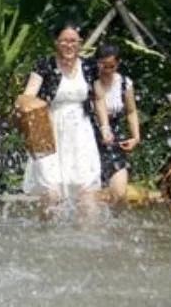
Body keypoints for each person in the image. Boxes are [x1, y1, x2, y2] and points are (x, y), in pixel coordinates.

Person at [20, 21, 112, 216]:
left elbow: (99, 97)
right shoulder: (44, 65)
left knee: (86, 191)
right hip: (48, 130)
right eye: (64, 41)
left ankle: (87, 239)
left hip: (81, 132)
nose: (69, 46)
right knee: (51, 193)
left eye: (73, 41)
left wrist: (105, 127)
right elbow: (28, 95)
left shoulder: (88, 67)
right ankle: (44, 233)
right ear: (56, 42)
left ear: (80, 43)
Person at [93, 43, 140, 206]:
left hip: (114, 138)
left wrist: (135, 137)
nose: (107, 70)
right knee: (90, 193)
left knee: (119, 193)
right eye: (103, 66)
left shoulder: (124, 83)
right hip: (89, 137)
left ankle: (113, 227)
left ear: (117, 64)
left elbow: (131, 111)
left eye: (111, 66)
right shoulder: (89, 81)